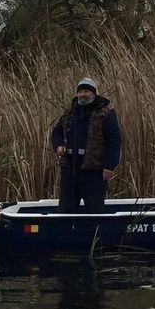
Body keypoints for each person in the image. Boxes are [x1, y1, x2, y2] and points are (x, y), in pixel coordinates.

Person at [49, 78, 121, 214]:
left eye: (86, 91)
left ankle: (95, 234)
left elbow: (114, 140)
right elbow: (56, 132)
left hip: (94, 170)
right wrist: (58, 146)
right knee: (66, 210)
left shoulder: (106, 113)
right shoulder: (69, 113)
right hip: (70, 168)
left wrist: (109, 166)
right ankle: (67, 234)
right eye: (80, 91)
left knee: (95, 210)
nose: (82, 94)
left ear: (93, 94)